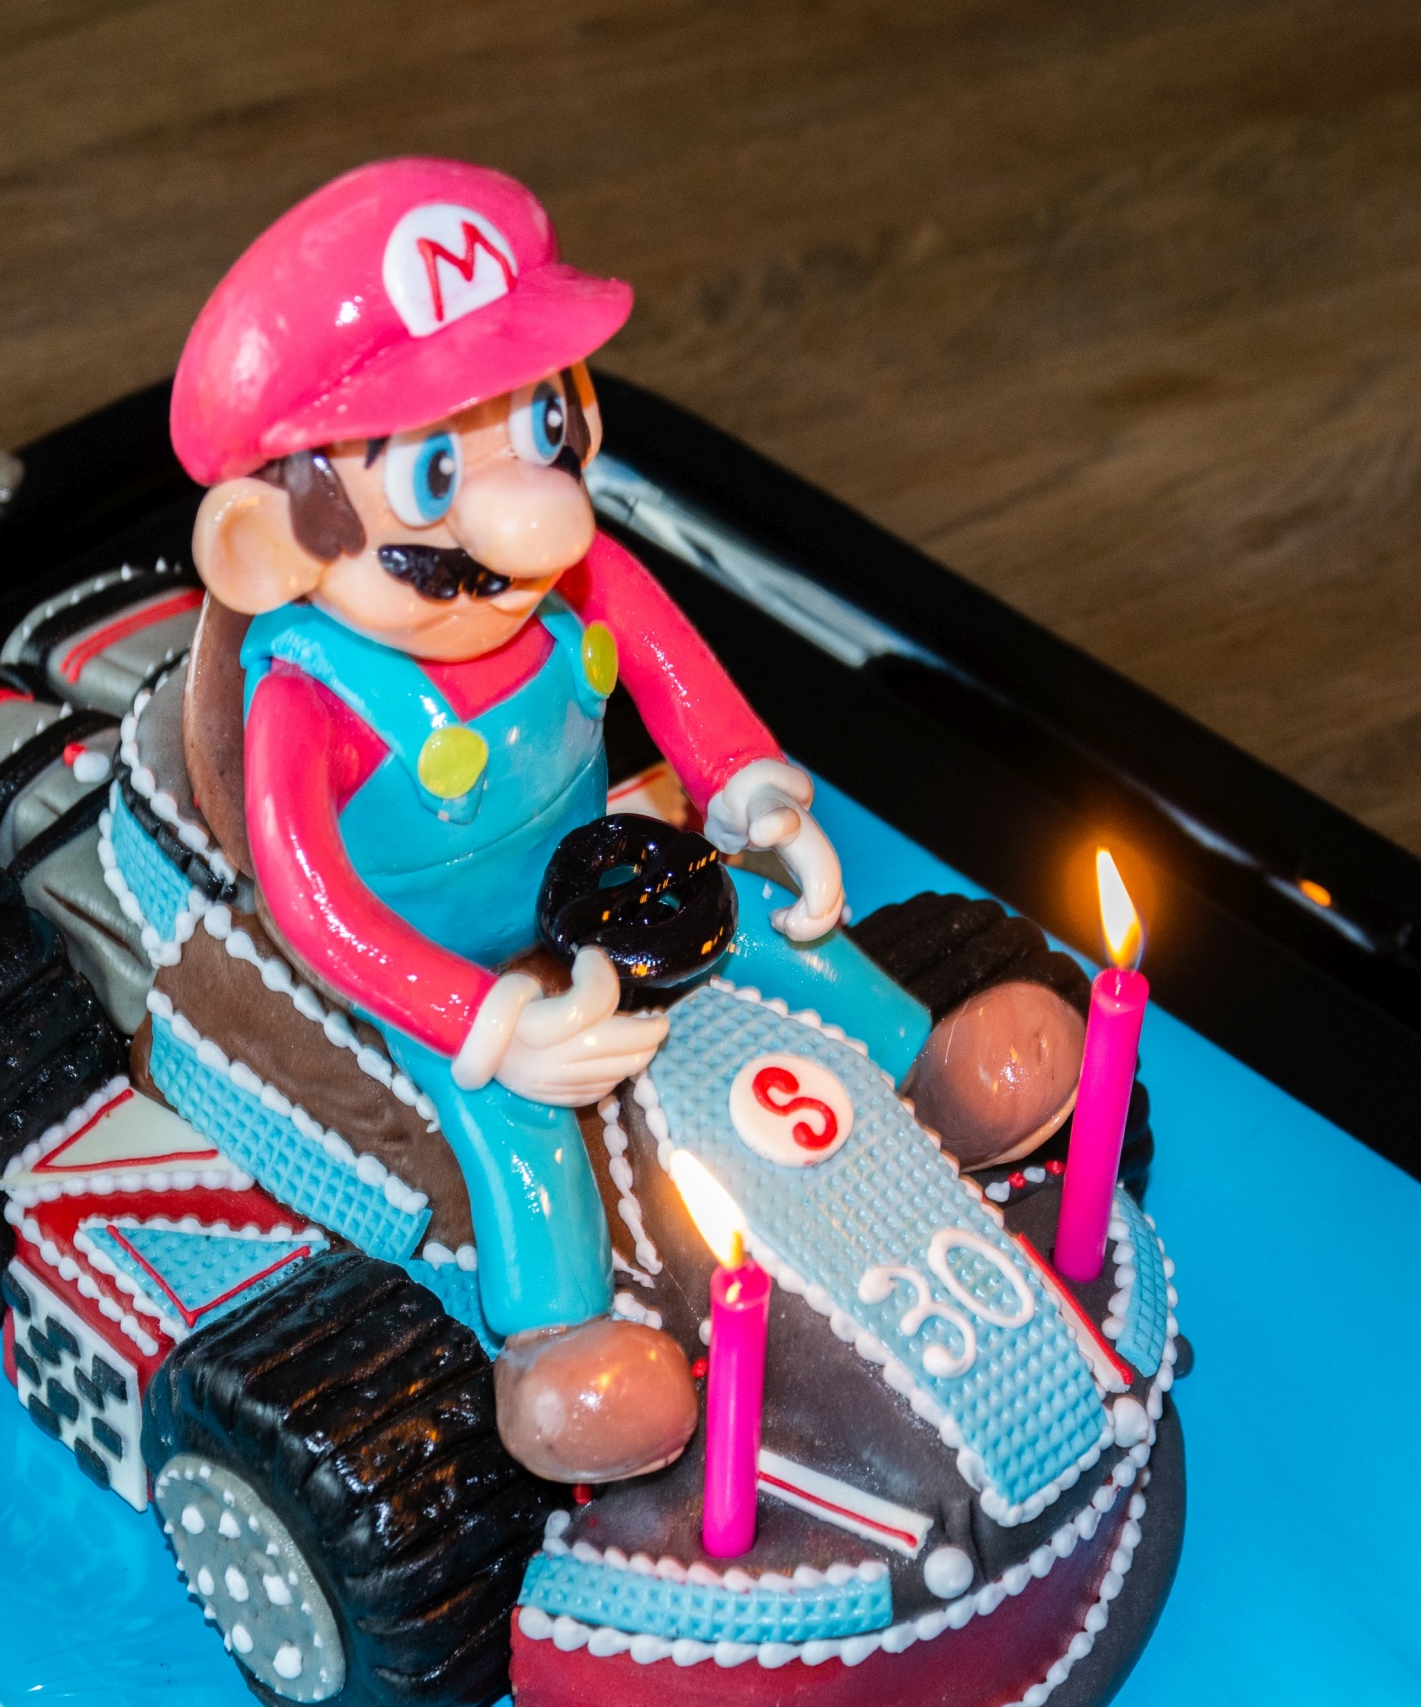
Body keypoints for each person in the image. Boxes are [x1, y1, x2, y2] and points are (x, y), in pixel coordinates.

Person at [170, 159, 921, 1483]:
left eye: (545, 425)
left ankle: (923, 1061)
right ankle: (560, 1341)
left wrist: (751, 790)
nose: (532, 506)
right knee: (509, 1121)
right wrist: (488, 1022)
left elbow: (683, 682)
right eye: (436, 468)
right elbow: (311, 901)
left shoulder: (577, 574)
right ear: (273, 538)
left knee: (750, 922)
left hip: (591, 869)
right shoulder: (312, 696)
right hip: (436, 963)